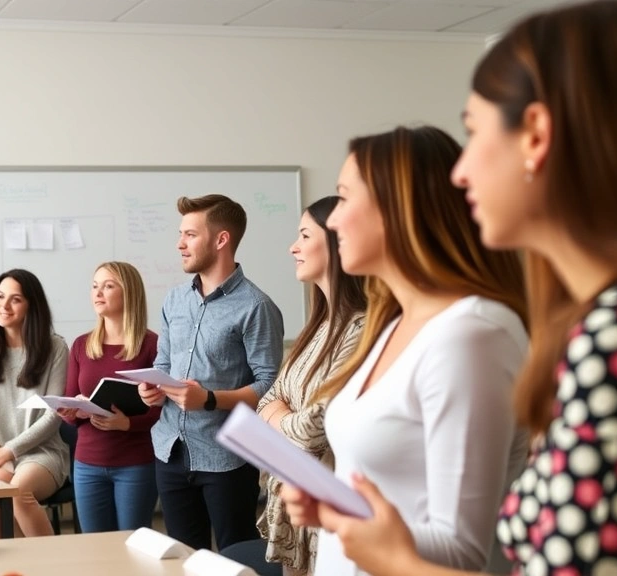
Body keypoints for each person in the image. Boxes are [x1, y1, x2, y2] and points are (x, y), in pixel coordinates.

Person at [284, 2, 617, 575]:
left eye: (473, 133)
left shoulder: (591, 336)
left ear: (538, 135)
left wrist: (391, 555)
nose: (461, 171)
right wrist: (345, 514)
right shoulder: (574, 328)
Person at [282, 126, 531, 575]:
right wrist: (330, 502)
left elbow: (463, 553)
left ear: (399, 208)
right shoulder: (393, 324)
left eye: (344, 198)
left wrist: (340, 514)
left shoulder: (470, 336)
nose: (333, 220)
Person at [138, 194, 285, 552]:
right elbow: (164, 363)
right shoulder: (174, 300)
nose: (179, 244)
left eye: (189, 234)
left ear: (221, 240)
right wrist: (151, 388)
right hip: (170, 450)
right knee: (184, 559)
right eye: (180, 234)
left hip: (228, 458)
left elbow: (269, 387)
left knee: (236, 558)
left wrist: (209, 399)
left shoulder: (257, 307)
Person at [244, 196, 367, 576]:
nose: (293, 247)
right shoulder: (317, 328)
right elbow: (268, 397)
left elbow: (313, 430)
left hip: (326, 507)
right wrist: (282, 412)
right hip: (294, 503)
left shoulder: (361, 330)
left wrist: (278, 415)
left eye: (304, 235)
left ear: (336, 241)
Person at [58, 261, 160, 533]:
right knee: (96, 547)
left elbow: (164, 409)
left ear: (129, 293)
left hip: (136, 464)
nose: (98, 292)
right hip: (87, 465)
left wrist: (125, 424)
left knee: (133, 544)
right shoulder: (81, 344)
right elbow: (70, 404)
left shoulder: (152, 345)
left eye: (108, 286)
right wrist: (72, 412)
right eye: (94, 286)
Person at [0, 269, 70, 538]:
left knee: (17, 493)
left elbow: (53, 416)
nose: (4, 305)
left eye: (15, 299)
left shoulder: (55, 348)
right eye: (0, 297)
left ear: (31, 306)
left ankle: (51, 566)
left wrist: (9, 451)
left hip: (41, 453)